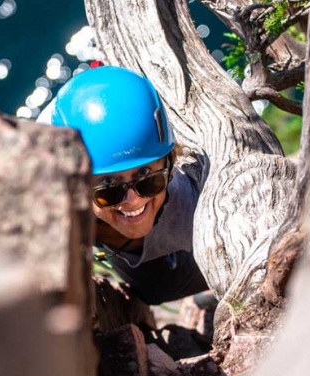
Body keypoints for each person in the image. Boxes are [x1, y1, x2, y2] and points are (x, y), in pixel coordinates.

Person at [38, 65, 214, 307]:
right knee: (154, 291)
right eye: (109, 188)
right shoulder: (58, 208)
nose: (133, 200)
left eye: (147, 178)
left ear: (169, 163)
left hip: (179, 229)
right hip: (125, 255)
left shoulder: (195, 201)